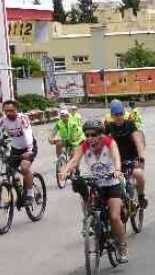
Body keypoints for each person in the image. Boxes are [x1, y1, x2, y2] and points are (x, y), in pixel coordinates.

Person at [60, 120, 128, 263]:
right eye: (87, 134)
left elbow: (116, 156)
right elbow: (74, 160)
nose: (90, 138)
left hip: (112, 183)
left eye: (93, 134)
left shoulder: (109, 142)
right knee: (82, 189)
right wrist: (65, 170)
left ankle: (122, 246)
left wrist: (117, 170)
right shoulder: (84, 145)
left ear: (101, 134)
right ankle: (90, 219)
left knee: (115, 217)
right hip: (96, 183)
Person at [104, 100, 148, 209]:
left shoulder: (130, 125)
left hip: (132, 158)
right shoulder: (109, 127)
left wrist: (141, 157)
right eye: (116, 115)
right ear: (112, 115)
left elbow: (138, 141)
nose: (118, 117)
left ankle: (141, 196)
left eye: (120, 114)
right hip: (116, 160)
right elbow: (104, 143)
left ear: (123, 114)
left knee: (139, 174)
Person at [0, 100, 38, 205]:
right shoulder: (3, 120)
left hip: (29, 147)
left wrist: (29, 151)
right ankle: (16, 195)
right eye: (6, 111)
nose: (9, 113)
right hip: (15, 149)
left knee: (24, 168)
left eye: (11, 110)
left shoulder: (22, 118)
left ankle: (29, 194)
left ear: (16, 110)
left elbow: (28, 135)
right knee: (9, 171)